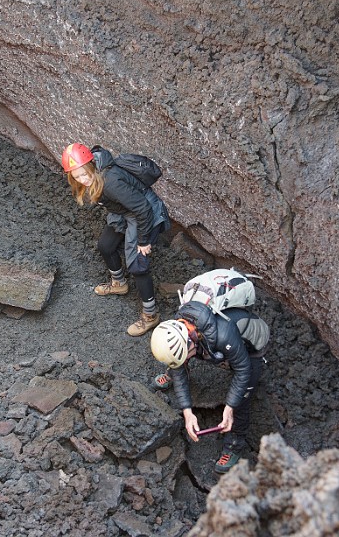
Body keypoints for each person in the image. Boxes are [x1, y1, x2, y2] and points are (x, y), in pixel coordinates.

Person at [61, 143, 170, 335]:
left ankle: (151, 315)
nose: (83, 180)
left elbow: (143, 209)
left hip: (144, 214)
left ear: (91, 164)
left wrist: (144, 241)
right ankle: (119, 284)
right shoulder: (96, 172)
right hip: (125, 211)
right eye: (77, 177)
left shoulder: (110, 182)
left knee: (137, 264)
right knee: (106, 246)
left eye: (84, 174)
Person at [150, 300, 270, 474]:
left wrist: (229, 407)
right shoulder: (180, 325)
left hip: (252, 345)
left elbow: (243, 371)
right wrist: (187, 413)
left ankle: (234, 445)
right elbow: (180, 367)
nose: (183, 363)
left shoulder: (223, 335)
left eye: (184, 358)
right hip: (218, 340)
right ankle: (174, 368)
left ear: (191, 343)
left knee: (241, 400)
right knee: (178, 367)